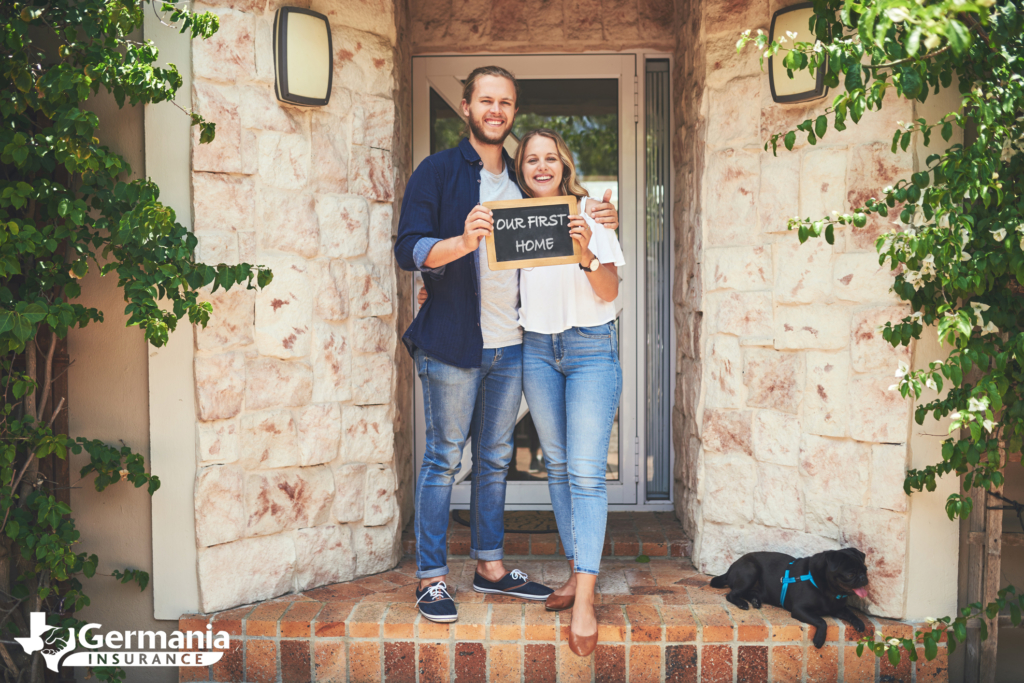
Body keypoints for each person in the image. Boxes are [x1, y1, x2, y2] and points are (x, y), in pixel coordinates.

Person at [515, 129, 625, 657]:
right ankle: (576, 574)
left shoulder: (592, 214)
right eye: (531, 159)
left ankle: (584, 599)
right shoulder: (511, 220)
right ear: (522, 169)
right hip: (536, 349)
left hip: (589, 350)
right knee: (557, 467)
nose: (541, 166)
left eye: (550, 158)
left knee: (584, 472)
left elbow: (609, 292)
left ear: (564, 164)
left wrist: (585, 254)